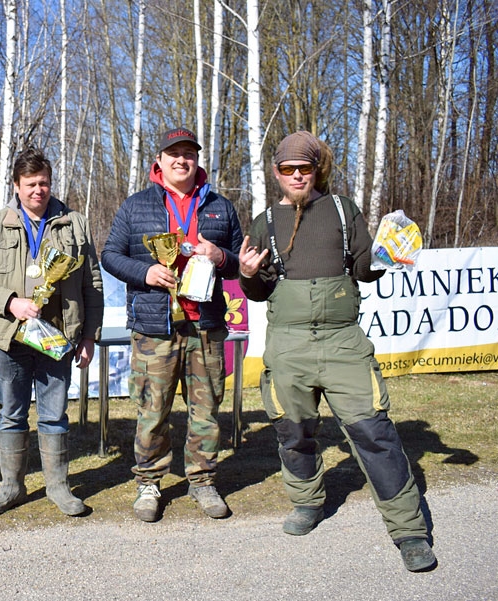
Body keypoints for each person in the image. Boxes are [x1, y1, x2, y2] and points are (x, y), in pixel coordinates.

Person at [237, 131, 437, 572]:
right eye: (287, 169)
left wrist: (388, 254)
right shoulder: (264, 220)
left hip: (344, 343)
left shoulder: (344, 211)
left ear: (316, 170)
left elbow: (366, 270)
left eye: (303, 169)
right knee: (293, 431)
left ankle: (409, 531)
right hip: (287, 345)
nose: (296, 176)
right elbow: (257, 290)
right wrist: (248, 274)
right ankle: (307, 503)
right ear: (276, 173)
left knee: (374, 433)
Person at [101, 127, 243, 523]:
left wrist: (221, 256)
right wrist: (145, 273)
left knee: (207, 410)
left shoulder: (220, 207)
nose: (182, 160)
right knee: (152, 409)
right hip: (154, 327)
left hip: (206, 325)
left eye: (189, 153)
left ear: (197, 160)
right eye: (174, 153)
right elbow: (110, 255)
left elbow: (240, 261)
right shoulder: (136, 206)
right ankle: (149, 482)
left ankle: (203, 480)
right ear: (159, 162)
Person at [0, 147, 103, 517]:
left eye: (43, 183)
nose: (38, 191)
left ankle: (58, 487)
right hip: (11, 336)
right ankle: (12, 486)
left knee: (54, 415)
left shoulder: (75, 223)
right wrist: (11, 302)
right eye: (30, 184)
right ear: (16, 185)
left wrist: (89, 336)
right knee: (12, 414)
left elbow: (92, 284)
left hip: (58, 336)